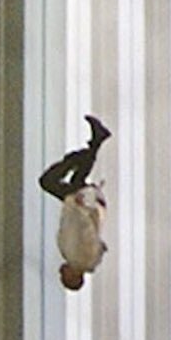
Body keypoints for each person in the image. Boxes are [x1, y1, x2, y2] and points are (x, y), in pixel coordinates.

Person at [38, 115, 111, 290]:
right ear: (73, 277)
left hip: (78, 205)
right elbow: (88, 233)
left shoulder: (73, 256)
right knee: (49, 181)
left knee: (76, 178)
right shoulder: (81, 258)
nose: (60, 273)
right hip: (81, 206)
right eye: (64, 277)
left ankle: (91, 146)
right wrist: (81, 208)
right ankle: (89, 149)